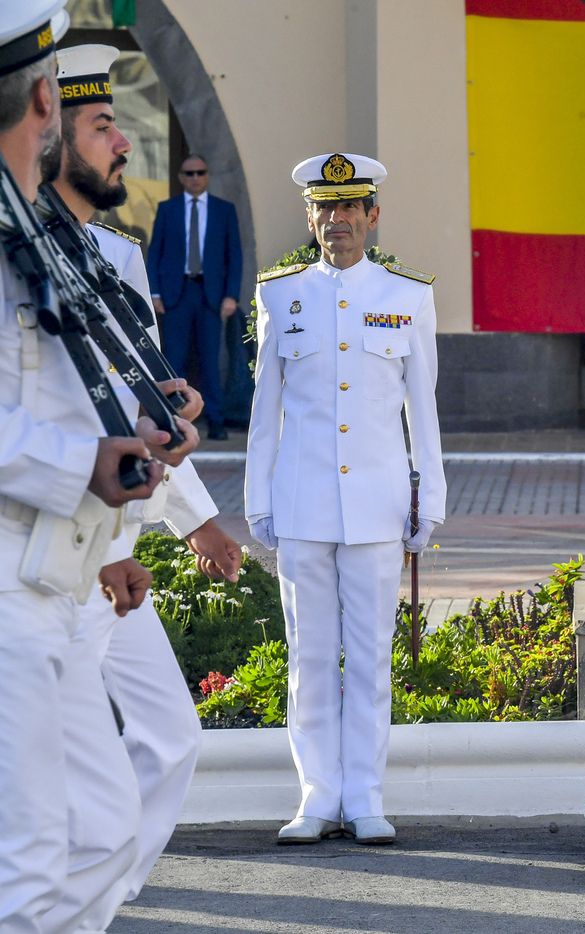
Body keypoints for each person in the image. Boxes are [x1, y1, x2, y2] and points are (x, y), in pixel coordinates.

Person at [0, 5, 197, 928]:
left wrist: (140, 446)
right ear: (43, 100)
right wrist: (82, 464)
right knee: (40, 861)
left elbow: (73, 389)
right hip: (18, 572)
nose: (117, 139)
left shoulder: (48, 239)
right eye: (93, 118)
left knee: (100, 834)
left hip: (59, 569)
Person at [52, 43, 244, 909]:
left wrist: (189, 512)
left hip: (112, 545)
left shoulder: (113, 256)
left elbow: (139, 406)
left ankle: (106, 888)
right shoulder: (22, 261)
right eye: (104, 126)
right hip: (55, 552)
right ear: (52, 134)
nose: (124, 143)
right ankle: (66, 894)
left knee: (170, 736)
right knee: (56, 758)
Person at [245, 152, 445, 846]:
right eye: (326, 210)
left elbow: (423, 412)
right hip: (301, 503)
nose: (339, 222)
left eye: (351, 208)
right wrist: (256, 499)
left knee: (368, 655)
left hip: (378, 506)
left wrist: (432, 500)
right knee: (308, 655)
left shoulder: (407, 296)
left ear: (373, 216)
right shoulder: (280, 295)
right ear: (310, 217)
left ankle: (364, 796)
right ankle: (315, 796)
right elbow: (265, 409)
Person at [147, 150, 244, 440]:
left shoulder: (223, 209)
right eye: (189, 173)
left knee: (210, 360)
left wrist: (231, 295)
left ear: (207, 176)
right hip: (177, 293)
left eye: (200, 172)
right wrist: (154, 292)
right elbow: (155, 253)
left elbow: (234, 256)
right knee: (173, 359)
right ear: (181, 178)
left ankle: (215, 419)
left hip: (210, 294)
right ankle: (172, 418)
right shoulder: (168, 209)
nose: (195, 178)